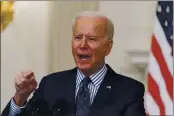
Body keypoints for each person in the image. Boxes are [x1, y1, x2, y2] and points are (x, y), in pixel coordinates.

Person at [1, 11, 145, 116]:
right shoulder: (51, 85)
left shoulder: (129, 91)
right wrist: (21, 96)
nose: (82, 45)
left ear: (108, 47)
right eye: (77, 37)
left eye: (92, 39)